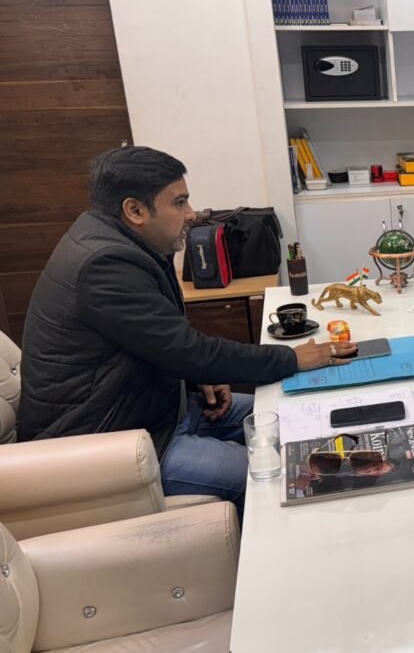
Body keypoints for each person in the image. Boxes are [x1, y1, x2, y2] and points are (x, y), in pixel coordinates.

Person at [16, 146, 356, 512]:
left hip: (157, 411)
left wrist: (196, 378)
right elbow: (188, 350)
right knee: (283, 475)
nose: (191, 214)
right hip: (111, 446)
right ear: (135, 211)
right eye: (179, 203)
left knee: (299, 418)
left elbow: (158, 341)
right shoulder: (104, 264)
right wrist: (290, 358)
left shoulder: (120, 242)